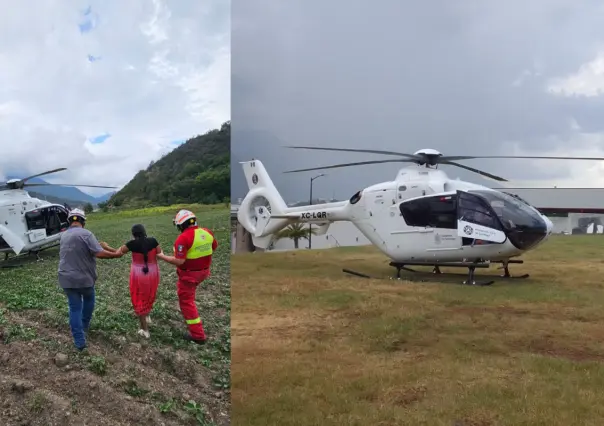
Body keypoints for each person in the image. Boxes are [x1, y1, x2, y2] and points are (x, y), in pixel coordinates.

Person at [58, 208, 124, 351]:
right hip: (83, 279)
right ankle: (84, 327)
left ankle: (79, 342)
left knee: (74, 308)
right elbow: (99, 253)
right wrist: (115, 254)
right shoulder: (87, 234)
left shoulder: (63, 236)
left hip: (65, 277)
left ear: (70, 221)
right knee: (89, 300)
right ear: (83, 221)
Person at [156, 209, 218, 344]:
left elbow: (179, 261)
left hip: (190, 276)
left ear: (181, 225)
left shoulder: (183, 238)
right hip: (204, 272)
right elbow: (213, 247)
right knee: (189, 298)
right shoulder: (207, 232)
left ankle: (198, 335)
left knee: (186, 302)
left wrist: (161, 256)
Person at [100, 224, 162, 339]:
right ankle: (147, 316)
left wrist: (106, 247)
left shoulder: (131, 244)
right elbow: (159, 253)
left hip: (138, 275)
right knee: (149, 295)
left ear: (133, 234)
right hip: (153, 273)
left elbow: (117, 253)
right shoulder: (153, 241)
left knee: (138, 299)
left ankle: (145, 330)